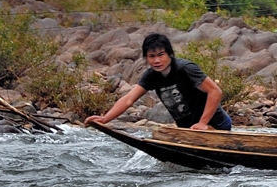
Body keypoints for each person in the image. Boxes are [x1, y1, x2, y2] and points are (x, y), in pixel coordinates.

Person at [85, 33, 233, 131]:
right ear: (146, 58)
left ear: (170, 54)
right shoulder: (151, 76)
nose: (156, 60)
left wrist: (203, 123)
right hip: (188, 129)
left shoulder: (185, 69)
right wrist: (105, 119)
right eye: (151, 56)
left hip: (215, 124)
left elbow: (215, 91)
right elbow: (128, 99)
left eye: (161, 55)